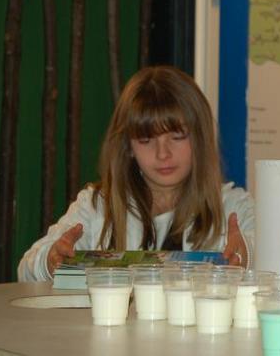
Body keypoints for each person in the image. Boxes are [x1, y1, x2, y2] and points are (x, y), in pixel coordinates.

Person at [18, 66, 254, 281]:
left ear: (200, 138)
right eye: (146, 139)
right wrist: (51, 260)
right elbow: (26, 271)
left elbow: (276, 254)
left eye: (177, 137)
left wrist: (248, 253)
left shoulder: (233, 206)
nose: (163, 154)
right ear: (128, 147)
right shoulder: (96, 204)